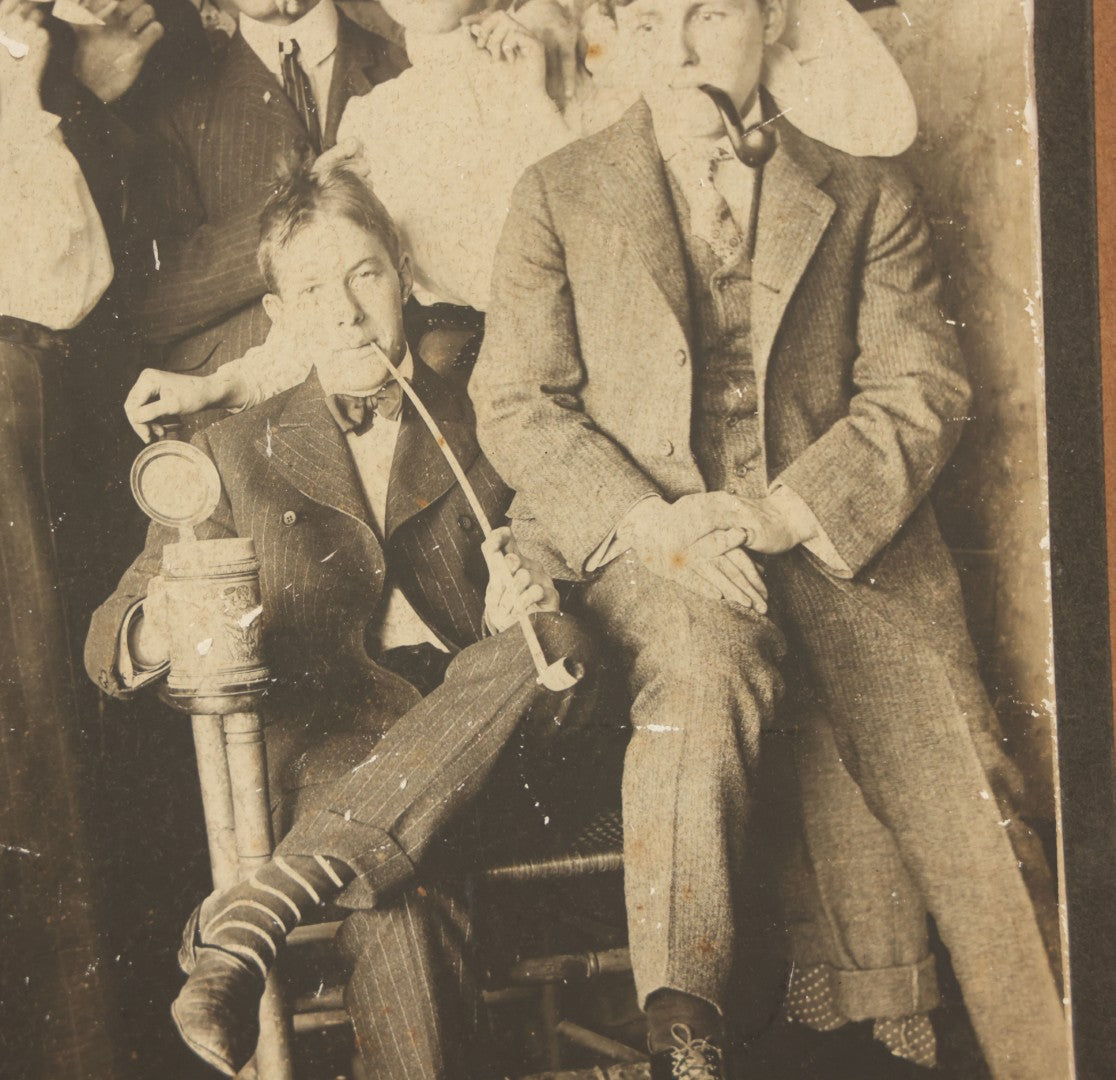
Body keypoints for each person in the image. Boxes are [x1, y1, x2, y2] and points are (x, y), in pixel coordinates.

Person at [468, 0, 1069, 1077]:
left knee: (966, 783)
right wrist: (649, 525)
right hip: (656, 546)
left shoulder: (866, 188)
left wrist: (777, 513)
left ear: (769, 23)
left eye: (712, 14)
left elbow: (921, 386)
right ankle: (681, 1024)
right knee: (700, 671)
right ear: (615, 37)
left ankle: (1058, 1051)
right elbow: (520, 405)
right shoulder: (557, 193)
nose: (687, 47)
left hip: (837, 544)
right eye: (654, 21)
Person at [86, 158, 600, 1078]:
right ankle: (305, 882)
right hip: (335, 757)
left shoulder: (498, 422)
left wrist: (522, 602)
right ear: (280, 315)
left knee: (550, 642)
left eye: (364, 275)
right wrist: (165, 622)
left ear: (402, 274)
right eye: (314, 288)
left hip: (498, 765)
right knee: (397, 879)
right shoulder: (233, 452)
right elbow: (107, 639)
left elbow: (569, 572)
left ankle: (254, 915)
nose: (347, 310)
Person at [123, 0, 407, 423]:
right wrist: (291, 207)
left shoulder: (407, 60)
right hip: (243, 414)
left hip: (406, 378)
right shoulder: (175, 101)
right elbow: (150, 299)